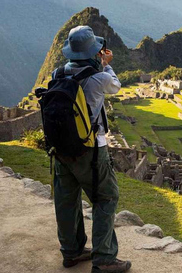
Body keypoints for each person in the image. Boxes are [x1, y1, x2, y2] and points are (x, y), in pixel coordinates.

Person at [52, 25, 131, 273]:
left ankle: (72, 251)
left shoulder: (57, 74)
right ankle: (104, 258)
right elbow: (116, 85)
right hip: (91, 150)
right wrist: (106, 63)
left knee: (66, 200)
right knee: (106, 197)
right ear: (94, 52)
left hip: (60, 149)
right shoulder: (100, 78)